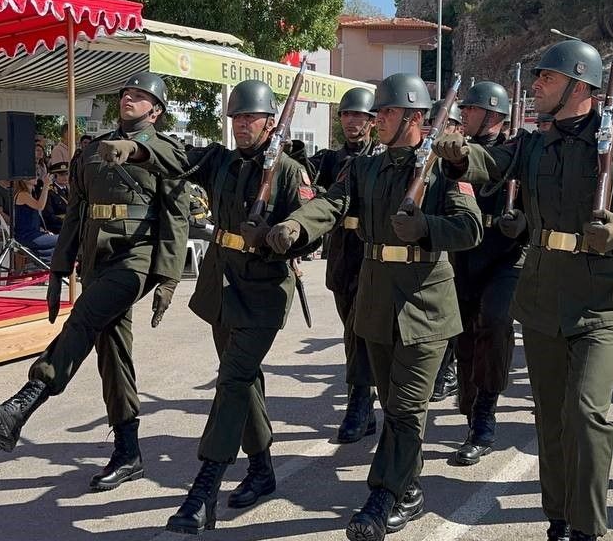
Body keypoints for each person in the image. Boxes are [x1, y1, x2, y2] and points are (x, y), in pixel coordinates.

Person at [434, 40, 613, 541]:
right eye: (538, 77)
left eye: (547, 77)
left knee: (585, 413)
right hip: (544, 297)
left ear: (579, 86)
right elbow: (489, 164)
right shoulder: (532, 144)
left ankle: (586, 527)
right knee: (551, 417)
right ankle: (559, 518)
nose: (537, 85)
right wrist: (458, 158)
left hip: (603, 301)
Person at [269, 72, 483, 540]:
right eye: (378, 111)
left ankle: (382, 496)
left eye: (386, 111)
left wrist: (425, 228)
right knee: (392, 405)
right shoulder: (366, 168)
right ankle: (410, 488)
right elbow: (331, 203)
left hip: (426, 305)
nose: (377, 118)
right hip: (376, 300)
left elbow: (470, 228)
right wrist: (298, 226)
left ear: (413, 117)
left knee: (405, 408)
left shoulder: (444, 168)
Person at [0, 72, 192, 495]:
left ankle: (24, 402)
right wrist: (58, 269)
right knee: (112, 350)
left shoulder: (166, 151)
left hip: (137, 256)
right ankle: (128, 452)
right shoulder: (90, 152)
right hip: (97, 255)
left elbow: (176, 216)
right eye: (126, 92)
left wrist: (168, 277)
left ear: (156, 111)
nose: (129, 98)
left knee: (85, 318)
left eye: (141, 96)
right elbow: (76, 212)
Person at [147, 78, 317, 534]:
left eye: (250, 118)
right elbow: (177, 159)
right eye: (237, 118)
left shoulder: (288, 171)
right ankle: (261, 469)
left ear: (269, 122)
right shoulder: (221, 162)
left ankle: (204, 489)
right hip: (222, 284)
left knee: (232, 380)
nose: (242, 125)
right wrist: (140, 148)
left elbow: (313, 224)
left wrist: (280, 236)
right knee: (242, 381)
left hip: (264, 289)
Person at [448, 81, 526, 467]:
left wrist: (524, 222)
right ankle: (471, 407)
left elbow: (543, 203)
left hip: (507, 256)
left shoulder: (518, 153)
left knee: (494, 323)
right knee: (463, 336)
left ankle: (484, 415)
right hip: (464, 256)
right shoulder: (456, 154)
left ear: (493, 115)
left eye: (472, 109)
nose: (464, 114)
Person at [313, 86, 380, 444]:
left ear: (372, 121)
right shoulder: (329, 160)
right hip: (342, 254)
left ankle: (359, 403)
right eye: (347, 115)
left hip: (371, 252)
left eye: (359, 116)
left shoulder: (382, 158)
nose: (352, 121)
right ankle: (364, 399)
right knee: (351, 333)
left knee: (359, 332)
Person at [428, 98, 464, 406]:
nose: (440, 129)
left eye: (447, 123)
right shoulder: (424, 160)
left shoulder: (460, 163)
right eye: (435, 123)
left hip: (461, 252)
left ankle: (449, 369)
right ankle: (442, 368)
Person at [13, 177, 57, 261]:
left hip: (34, 234)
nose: (36, 177)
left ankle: (46, 260)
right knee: (63, 239)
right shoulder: (22, 194)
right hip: (27, 237)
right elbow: (40, 206)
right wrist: (46, 185)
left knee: (60, 248)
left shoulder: (30, 194)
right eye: (33, 176)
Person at [42, 162, 70, 234]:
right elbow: (49, 215)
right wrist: (67, 221)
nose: (65, 177)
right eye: (61, 175)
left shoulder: (71, 190)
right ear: (54, 176)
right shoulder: (49, 192)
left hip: (69, 224)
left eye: (67, 174)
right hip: (57, 227)